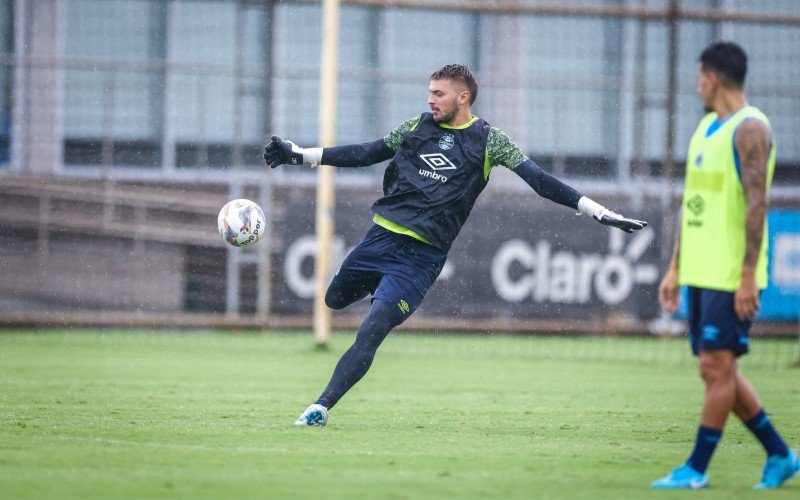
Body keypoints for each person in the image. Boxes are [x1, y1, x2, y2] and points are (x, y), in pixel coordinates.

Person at [264, 64, 646, 428]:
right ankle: (378, 288)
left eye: (438, 94)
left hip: (421, 259)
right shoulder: (417, 126)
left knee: (373, 329)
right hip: (380, 238)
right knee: (333, 299)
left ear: (463, 97)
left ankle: (320, 405)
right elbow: (367, 152)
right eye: (429, 92)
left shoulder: (490, 141)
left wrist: (596, 211)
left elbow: (540, 180)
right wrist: (299, 155)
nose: (430, 100)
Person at [653, 42, 798, 490]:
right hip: (700, 270)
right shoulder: (705, 128)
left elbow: (759, 206)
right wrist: (676, 267)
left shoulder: (751, 129)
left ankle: (696, 468)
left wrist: (748, 275)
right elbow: (692, 205)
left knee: (717, 369)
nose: (698, 85)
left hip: (730, 273)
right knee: (717, 370)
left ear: (712, 78)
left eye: (699, 77)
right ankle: (780, 454)